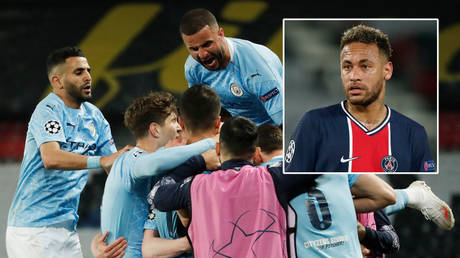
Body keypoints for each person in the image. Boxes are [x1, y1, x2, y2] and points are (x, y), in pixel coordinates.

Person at [153, 116, 400, 257]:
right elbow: (321, 161)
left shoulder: (198, 186)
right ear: (254, 152)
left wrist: (197, 160)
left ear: (218, 150)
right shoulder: (271, 179)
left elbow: (159, 197)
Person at [6, 46, 131, 258]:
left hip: (67, 228)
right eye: (79, 72)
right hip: (32, 230)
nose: (88, 77)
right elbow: (51, 158)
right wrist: (101, 161)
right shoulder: (47, 110)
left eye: (88, 70)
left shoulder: (95, 117)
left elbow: (114, 168)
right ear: (57, 81)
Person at [285, 24, 435, 172]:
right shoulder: (313, 123)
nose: (354, 76)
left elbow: (424, 190)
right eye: (347, 67)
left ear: (387, 71)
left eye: (365, 66)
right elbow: (290, 184)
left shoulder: (413, 132)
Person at [99, 91, 217, 258]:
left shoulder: (139, 166)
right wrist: (211, 142)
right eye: (173, 121)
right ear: (155, 130)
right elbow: (153, 163)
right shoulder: (132, 159)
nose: (178, 127)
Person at [142, 84, 222, 258]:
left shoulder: (166, 177)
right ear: (218, 122)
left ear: (181, 122)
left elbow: (149, 250)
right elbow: (147, 249)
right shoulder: (230, 174)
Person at [181, 8, 283, 126]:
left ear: (220, 34)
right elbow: (201, 111)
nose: (202, 54)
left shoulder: (258, 68)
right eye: (194, 49)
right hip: (238, 131)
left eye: (207, 44)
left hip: (272, 128)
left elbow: (285, 124)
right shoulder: (193, 68)